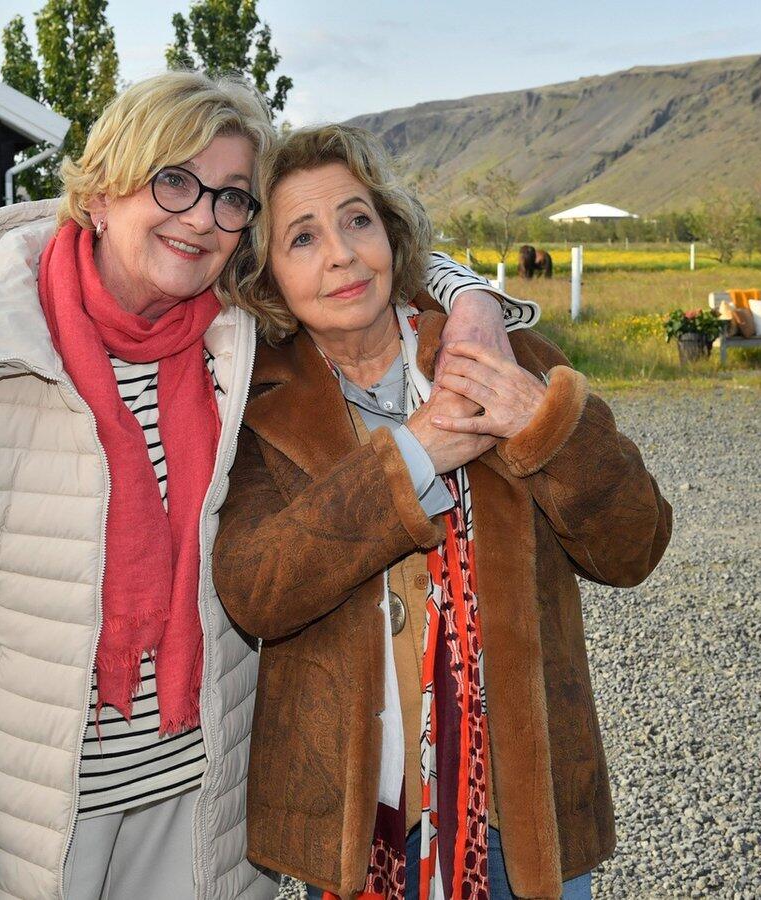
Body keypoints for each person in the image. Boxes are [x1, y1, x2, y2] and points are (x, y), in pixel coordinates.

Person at [0, 73, 538, 900]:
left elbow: (368, 256)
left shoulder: (233, 337)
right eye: (174, 181)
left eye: (231, 197)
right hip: (36, 806)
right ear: (103, 191)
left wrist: (471, 298)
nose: (200, 218)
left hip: (201, 799)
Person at [212, 124, 673, 900]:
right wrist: (412, 456)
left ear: (391, 234)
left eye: (357, 220)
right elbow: (256, 589)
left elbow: (636, 545)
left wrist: (543, 423)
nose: (342, 255)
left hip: (525, 813)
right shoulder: (258, 407)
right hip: (363, 821)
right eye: (303, 237)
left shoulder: (502, 356)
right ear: (268, 277)